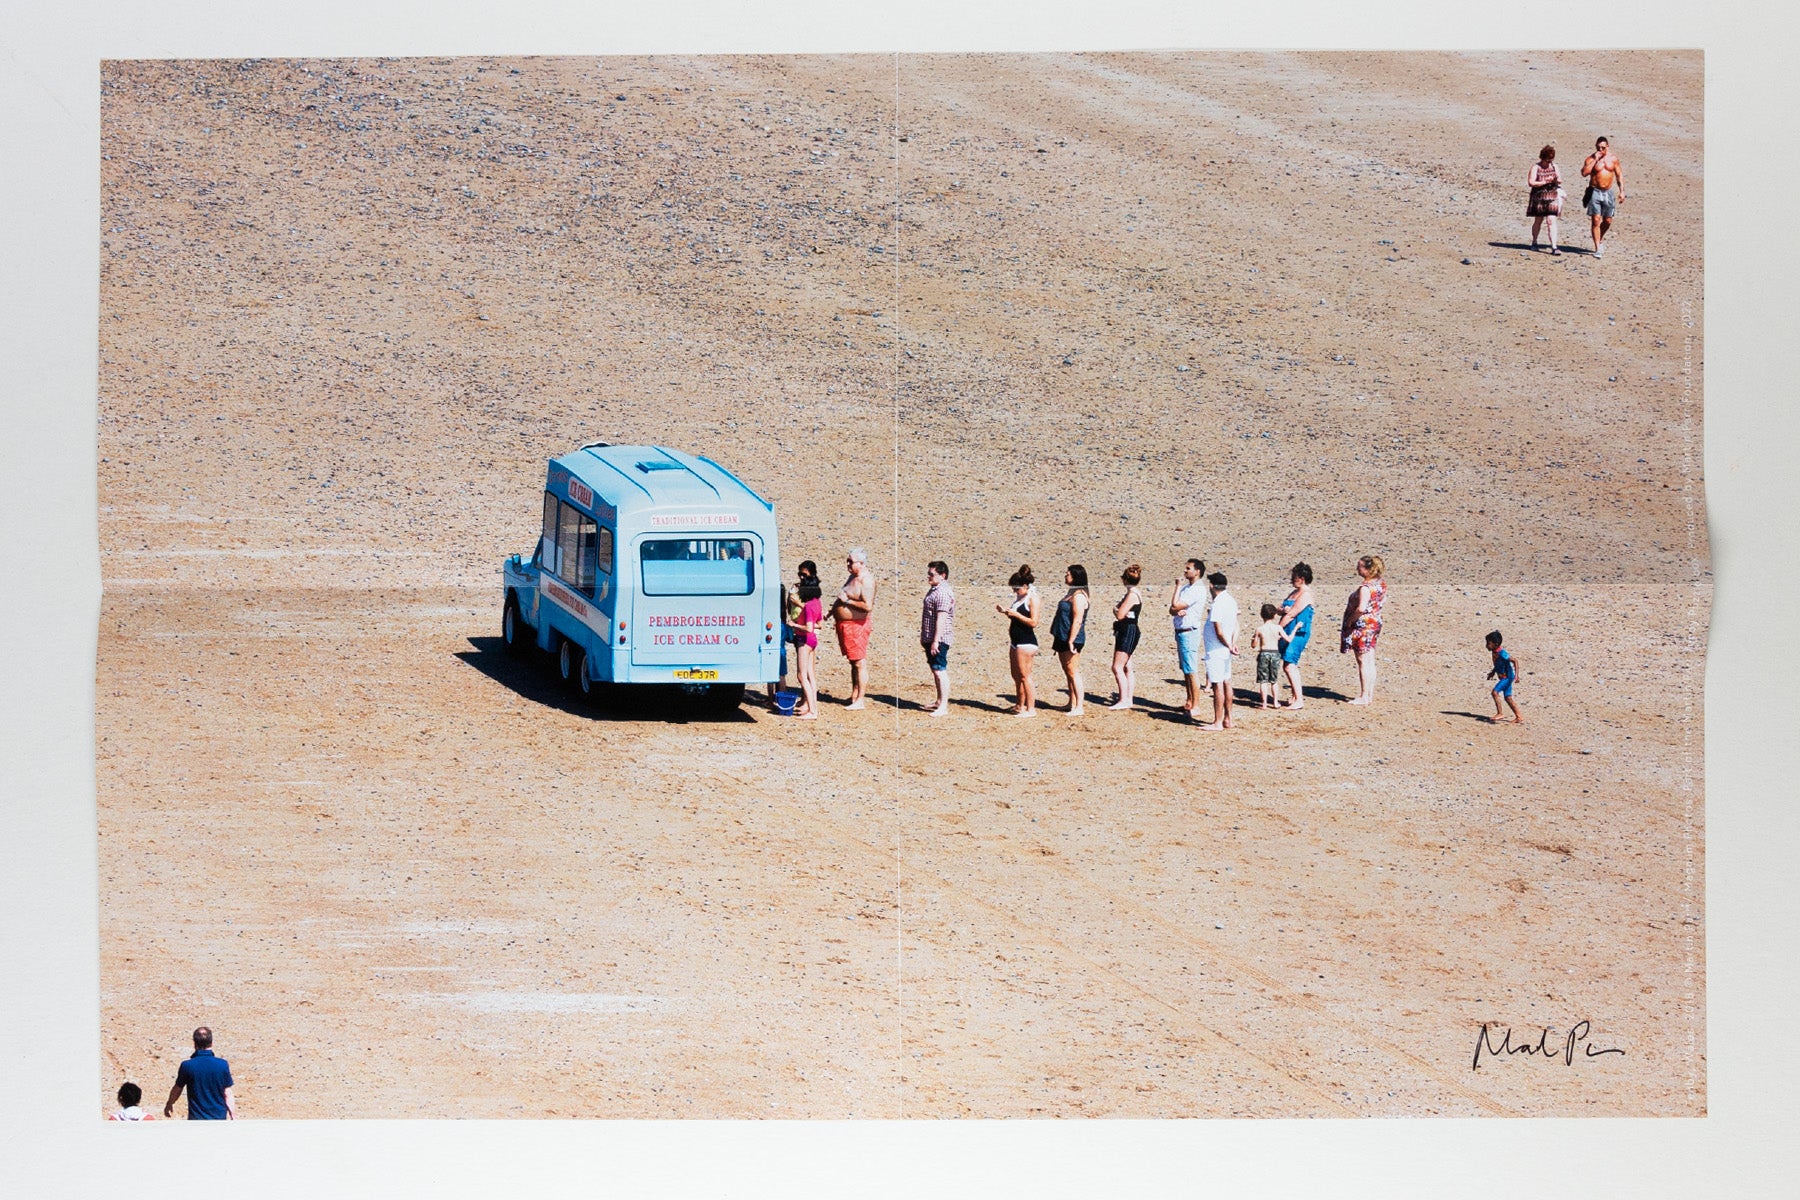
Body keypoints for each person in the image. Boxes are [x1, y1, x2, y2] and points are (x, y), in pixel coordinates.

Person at [1340, 554, 1388, 705]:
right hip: (1374, 623)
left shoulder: (1365, 588)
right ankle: (1369, 694)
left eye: (1360, 566)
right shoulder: (1380, 584)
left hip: (1363, 626)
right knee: (1369, 659)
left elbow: (1361, 608)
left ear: (1368, 569)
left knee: (1362, 660)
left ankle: (1364, 696)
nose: (1357, 569)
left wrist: (1350, 620)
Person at [832, 548, 876, 709]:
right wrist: (830, 613)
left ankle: (860, 700)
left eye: (851, 561)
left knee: (859, 662)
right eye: (848, 561)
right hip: (846, 626)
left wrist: (848, 602)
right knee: (853, 662)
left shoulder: (866, 580)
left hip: (857, 626)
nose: (848, 564)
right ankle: (854, 695)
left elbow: (867, 606)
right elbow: (841, 597)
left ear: (862, 563)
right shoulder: (853, 577)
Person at [1195, 573, 1240, 729]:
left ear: (1212, 585)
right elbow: (1235, 625)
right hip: (1225, 650)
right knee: (1227, 682)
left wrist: (1228, 645)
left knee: (1217, 685)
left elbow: (1218, 630)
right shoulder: (1231, 601)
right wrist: (1232, 644)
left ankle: (1217, 722)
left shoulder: (1218, 604)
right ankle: (1228, 719)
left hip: (1217, 650)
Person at [995, 565, 1040, 716]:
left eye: (1017, 589)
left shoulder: (1033, 598)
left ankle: (1031, 708)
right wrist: (1006, 612)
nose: (1015, 592)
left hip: (1026, 642)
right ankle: (1019, 705)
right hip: (1016, 641)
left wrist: (1016, 615)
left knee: (1025, 676)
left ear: (1026, 586)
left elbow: (1034, 622)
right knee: (1016, 675)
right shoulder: (1020, 599)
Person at [163, 1026, 235, 1120]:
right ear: (211, 1043)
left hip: (196, 1120)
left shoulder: (187, 1066)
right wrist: (233, 1115)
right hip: (219, 1120)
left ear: (194, 1043)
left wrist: (170, 1103)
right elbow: (227, 1093)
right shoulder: (222, 1064)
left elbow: (177, 1089)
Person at [1169, 558, 1209, 717]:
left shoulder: (1197, 589)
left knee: (1191, 669)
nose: (1185, 571)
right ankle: (1189, 701)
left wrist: (1177, 588)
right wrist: (1175, 608)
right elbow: (1172, 608)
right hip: (1181, 631)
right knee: (1186, 669)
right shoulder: (1188, 588)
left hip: (1189, 631)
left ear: (1197, 571)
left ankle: (1196, 705)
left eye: (1188, 569)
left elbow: (1176, 605)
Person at [1050, 564, 1091, 716]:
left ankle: (1079, 706)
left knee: (1073, 671)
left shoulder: (1079, 596)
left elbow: (1077, 620)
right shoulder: (1071, 593)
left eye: (1067, 574)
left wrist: (1071, 640)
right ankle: (1072, 702)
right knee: (1068, 671)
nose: (1065, 576)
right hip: (1063, 635)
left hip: (1072, 638)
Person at [1277, 562, 1315, 710]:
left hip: (1298, 632)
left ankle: (1299, 699)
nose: (1292, 579)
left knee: (1289, 663)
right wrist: (1282, 611)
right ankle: (1294, 697)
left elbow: (1293, 614)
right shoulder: (1294, 592)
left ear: (1302, 578)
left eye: (1295, 577)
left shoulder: (1305, 594)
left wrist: (1277, 629)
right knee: (1287, 663)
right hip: (1288, 631)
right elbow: (1283, 609)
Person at [920, 560, 955, 717]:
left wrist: (935, 641)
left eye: (932, 574)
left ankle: (944, 705)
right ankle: (939, 701)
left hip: (939, 638)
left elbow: (941, 618)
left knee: (940, 670)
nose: (928, 577)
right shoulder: (935, 590)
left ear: (943, 575)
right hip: (932, 637)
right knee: (936, 669)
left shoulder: (941, 593)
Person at [1107, 564, 1144, 710]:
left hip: (1128, 630)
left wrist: (1116, 610)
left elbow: (1120, 613)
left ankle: (1124, 699)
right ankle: (1128, 698)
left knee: (1117, 667)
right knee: (1127, 666)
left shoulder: (1132, 594)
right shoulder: (1135, 593)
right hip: (1130, 629)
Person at [1580, 136, 1625, 257]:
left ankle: (1600, 238)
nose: (1600, 150)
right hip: (1594, 191)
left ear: (1608, 147)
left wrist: (1621, 191)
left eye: (1603, 148)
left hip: (1608, 192)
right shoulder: (1591, 159)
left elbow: (1619, 175)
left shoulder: (1613, 159)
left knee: (1608, 220)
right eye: (1598, 147)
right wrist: (1595, 159)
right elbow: (1584, 173)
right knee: (1595, 220)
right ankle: (1598, 248)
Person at [795, 563, 823, 719]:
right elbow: (820, 625)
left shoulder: (808, 607)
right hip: (812, 641)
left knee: (801, 675)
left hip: (804, 640)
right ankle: (812, 707)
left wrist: (793, 624)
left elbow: (809, 627)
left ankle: (812, 710)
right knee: (811, 674)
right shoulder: (817, 603)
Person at [1526, 144, 1564, 255]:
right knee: (1538, 220)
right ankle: (1534, 241)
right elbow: (1531, 182)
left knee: (1551, 220)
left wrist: (1555, 180)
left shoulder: (1554, 166)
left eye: (1550, 160)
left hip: (1552, 195)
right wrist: (1544, 182)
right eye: (1547, 160)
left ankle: (1554, 246)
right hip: (1539, 196)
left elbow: (1560, 179)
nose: (1549, 163)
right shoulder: (1536, 168)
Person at [1486, 629, 1523, 724]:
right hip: (1504, 677)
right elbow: (1498, 664)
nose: (1487, 646)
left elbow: (1515, 661)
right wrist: (1493, 672)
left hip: (1507, 677)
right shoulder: (1495, 651)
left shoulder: (1502, 653)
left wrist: (1517, 676)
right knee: (1508, 698)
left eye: (1489, 643)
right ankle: (1519, 716)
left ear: (1496, 644)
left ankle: (1500, 713)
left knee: (1495, 692)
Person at [1252, 603, 1284, 709]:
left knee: (1263, 681)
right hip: (1275, 653)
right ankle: (1275, 702)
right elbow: (1288, 639)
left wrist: (1253, 639)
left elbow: (1253, 645)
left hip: (1264, 653)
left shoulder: (1259, 629)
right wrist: (1295, 629)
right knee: (1274, 680)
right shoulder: (1278, 628)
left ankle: (1264, 703)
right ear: (1275, 615)